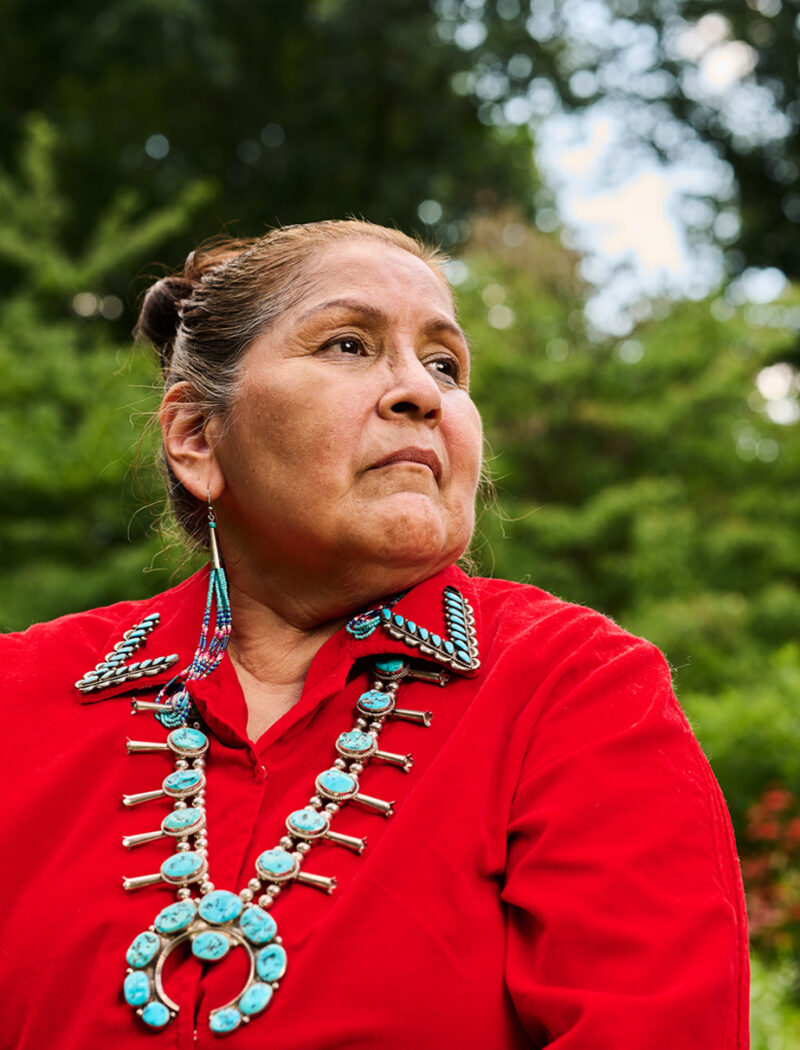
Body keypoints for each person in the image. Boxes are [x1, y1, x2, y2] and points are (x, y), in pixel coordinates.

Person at [1, 220, 748, 1049]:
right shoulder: (19, 695)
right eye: (350, 345)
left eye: (445, 365)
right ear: (196, 437)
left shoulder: (571, 685)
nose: (421, 393)